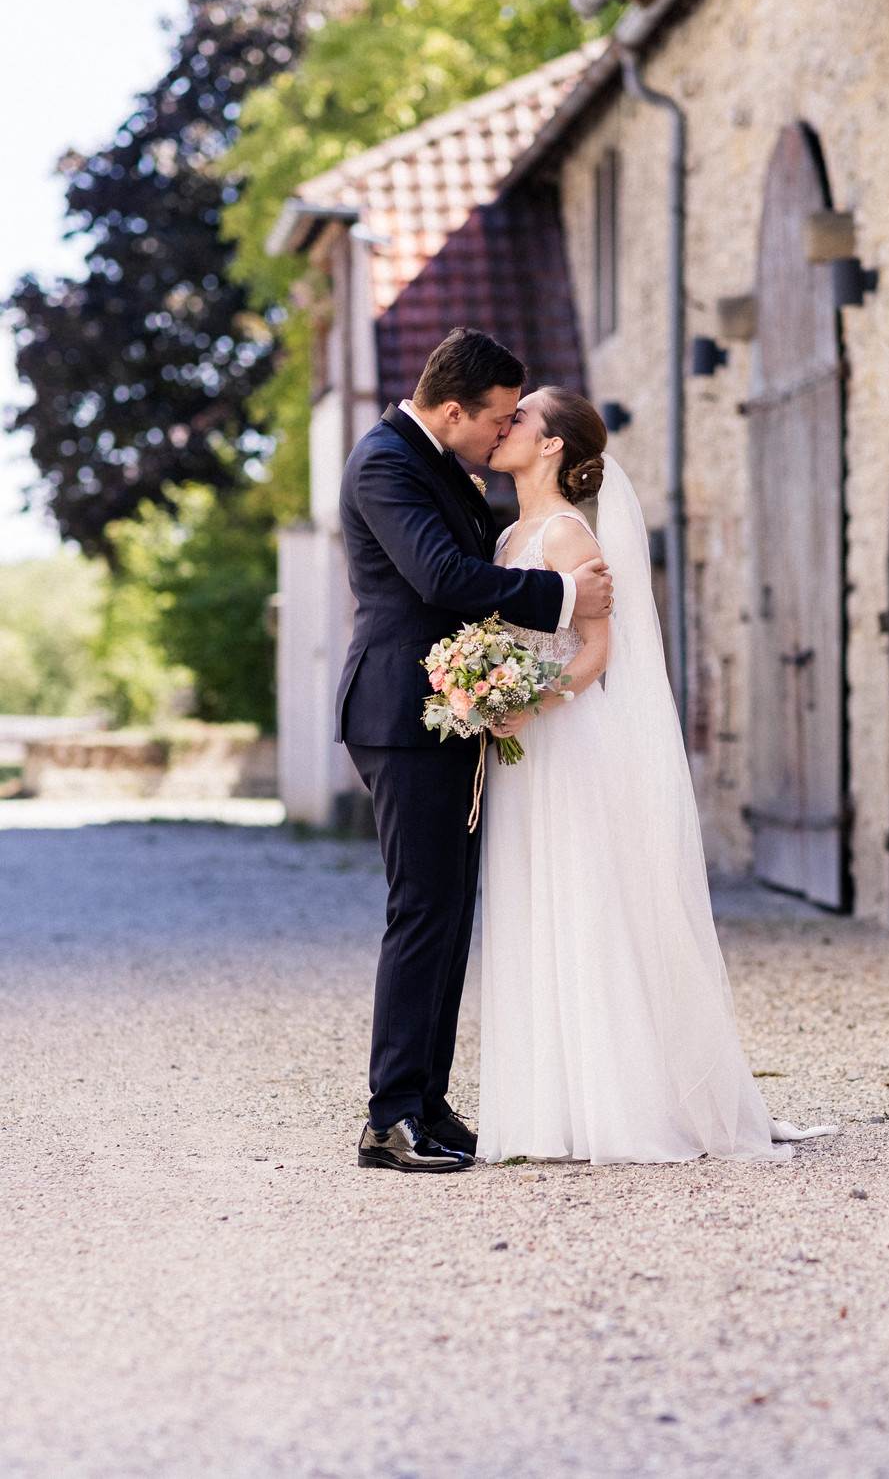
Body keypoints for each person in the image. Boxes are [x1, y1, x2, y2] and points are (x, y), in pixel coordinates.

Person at [478, 387, 836, 1164]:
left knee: (583, 906)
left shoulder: (569, 537)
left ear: (551, 448)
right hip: (518, 753)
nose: (504, 425)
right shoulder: (508, 537)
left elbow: (598, 652)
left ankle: (618, 1107)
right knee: (526, 903)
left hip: (563, 741)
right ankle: (547, 1112)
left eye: (522, 418)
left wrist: (525, 702)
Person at [337, 332, 614, 1173]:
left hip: (445, 714)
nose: (501, 435)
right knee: (422, 911)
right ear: (453, 410)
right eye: (495, 419)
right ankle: (390, 1119)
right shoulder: (386, 462)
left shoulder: (438, 462)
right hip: (399, 714)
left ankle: (427, 1101)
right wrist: (565, 593)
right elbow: (443, 579)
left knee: (450, 914)